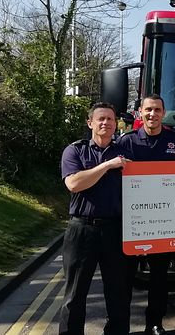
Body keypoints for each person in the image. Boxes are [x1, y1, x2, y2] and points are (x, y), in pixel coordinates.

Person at [117, 94, 175, 335]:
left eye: (157, 110)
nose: (152, 114)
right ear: (140, 112)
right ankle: (120, 325)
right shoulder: (125, 142)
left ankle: (154, 323)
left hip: (164, 222)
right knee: (124, 279)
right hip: (130, 221)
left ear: (163, 113)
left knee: (159, 278)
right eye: (148, 110)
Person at [58, 102, 132, 335]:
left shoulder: (126, 153)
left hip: (116, 229)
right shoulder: (75, 151)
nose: (106, 123)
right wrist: (108, 165)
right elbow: (74, 183)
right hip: (82, 230)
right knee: (75, 294)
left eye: (110, 119)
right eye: (101, 119)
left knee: (119, 292)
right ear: (90, 122)